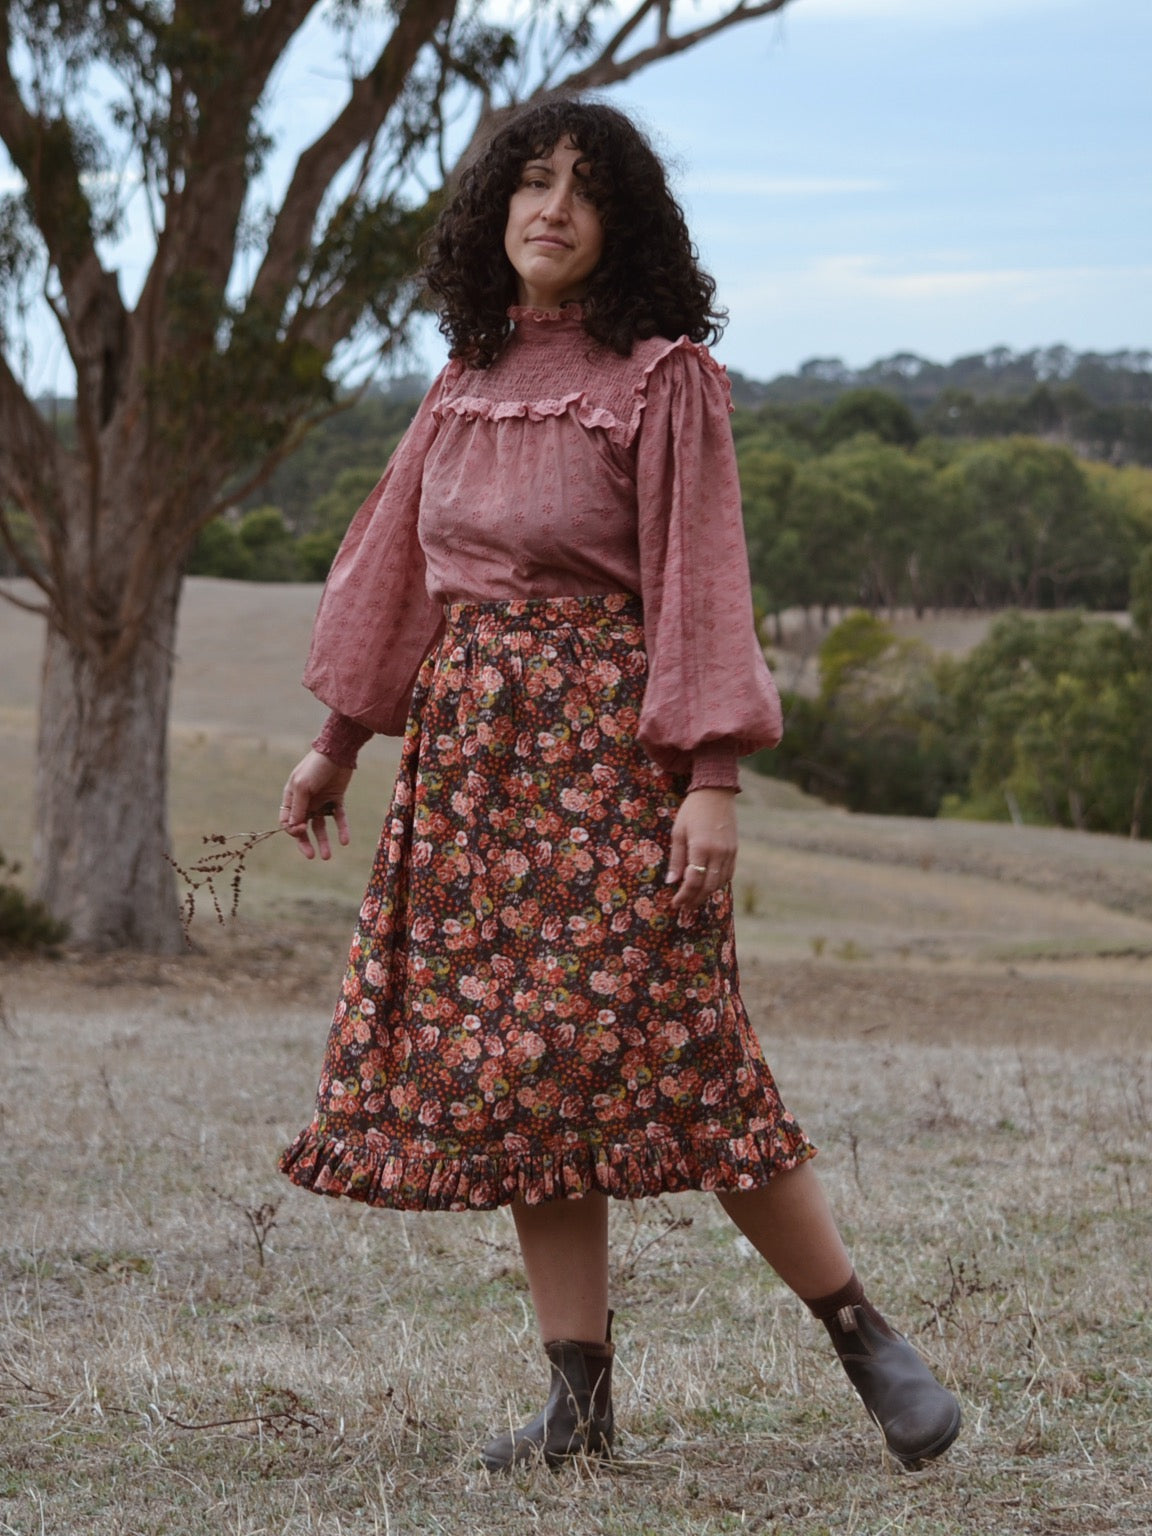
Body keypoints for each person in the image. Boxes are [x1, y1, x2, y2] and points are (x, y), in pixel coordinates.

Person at [277, 97, 960, 1474]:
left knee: (694, 1053)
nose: (552, 210)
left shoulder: (661, 378)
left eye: (585, 192)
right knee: (527, 1074)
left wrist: (711, 777)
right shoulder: (462, 379)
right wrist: (339, 741)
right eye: (531, 183)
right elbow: (397, 571)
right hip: (471, 776)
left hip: (610, 767)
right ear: (494, 210)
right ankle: (576, 1403)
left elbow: (701, 579)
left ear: (621, 225)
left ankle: (863, 1336)